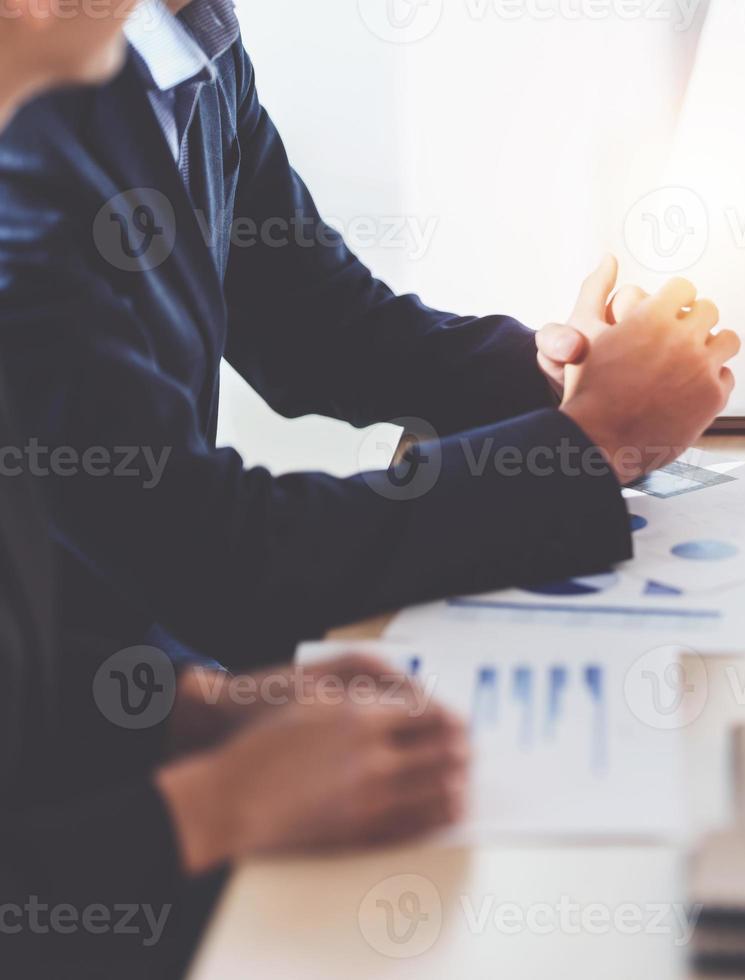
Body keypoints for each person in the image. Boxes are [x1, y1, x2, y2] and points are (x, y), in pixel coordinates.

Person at [0, 0, 740, 676]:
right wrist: (593, 439)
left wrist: (555, 376)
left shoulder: (197, 40)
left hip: (158, 665)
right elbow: (214, 558)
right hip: (77, 700)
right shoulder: (33, 124)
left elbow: (317, 324)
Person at [0, 4, 470, 976]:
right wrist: (220, 801)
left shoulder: (162, 62)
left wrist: (192, 707)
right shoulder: (34, 178)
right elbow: (209, 541)